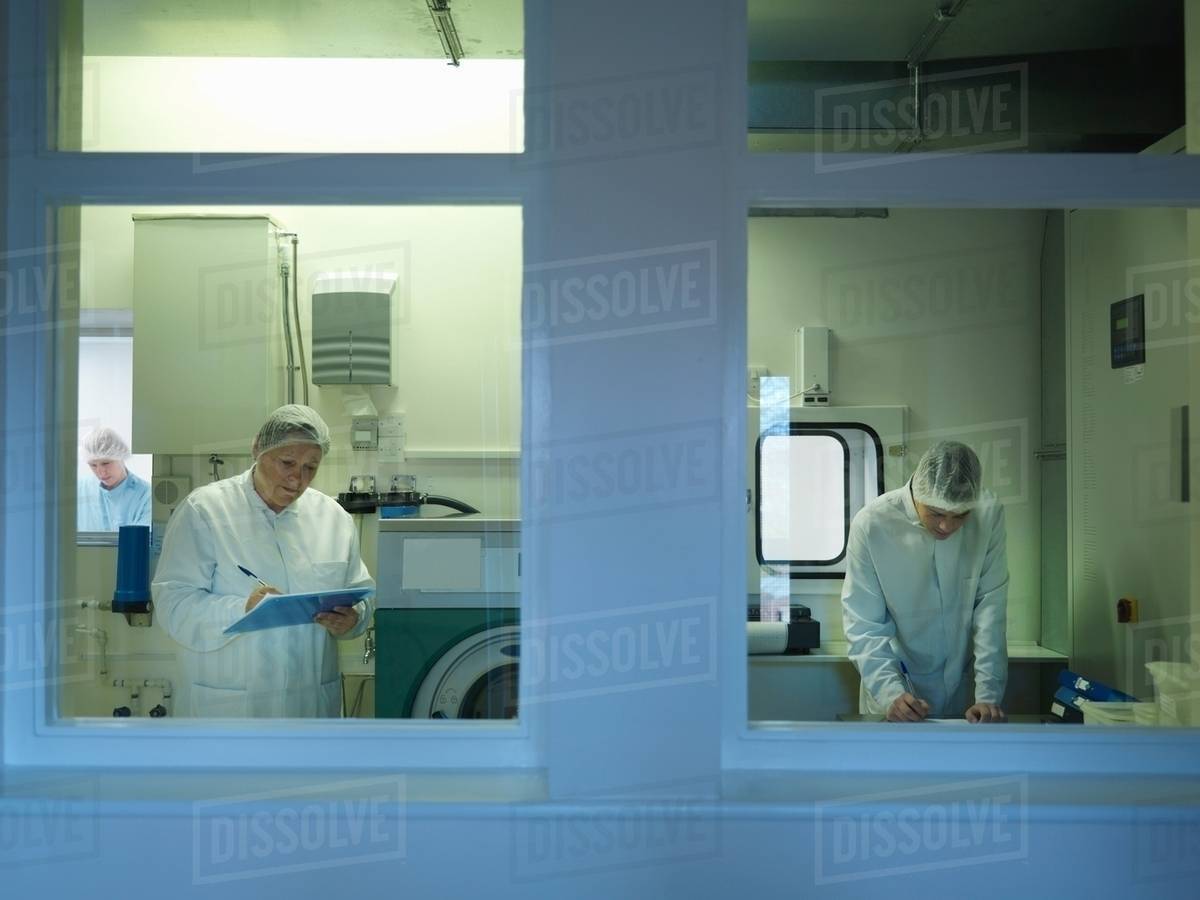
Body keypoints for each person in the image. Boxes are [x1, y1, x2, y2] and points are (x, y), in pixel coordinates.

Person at [153, 405, 375, 717]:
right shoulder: (205, 511)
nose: (297, 479)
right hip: (229, 709)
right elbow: (173, 604)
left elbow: (361, 595)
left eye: (310, 468)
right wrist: (243, 608)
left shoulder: (334, 519)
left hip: (308, 705)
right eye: (287, 463)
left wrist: (354, 620)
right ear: (258, 449)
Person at [841, 441, 1008, 723]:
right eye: (937, 514)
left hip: (963, 691)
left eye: (960, 516)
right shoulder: (872, 524)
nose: (947, 526)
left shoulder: (988, 514)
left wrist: (987, 696)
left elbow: (990, 608)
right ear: (917, 492)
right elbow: (863, 625)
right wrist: (889, 693)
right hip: (894, 686)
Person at [78, 426, 151, 531]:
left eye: (106, 463)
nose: (101, 472)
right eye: (93, 465)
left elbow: (143, 541)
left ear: (120, 456)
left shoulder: (145, 495)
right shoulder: (80, 490)